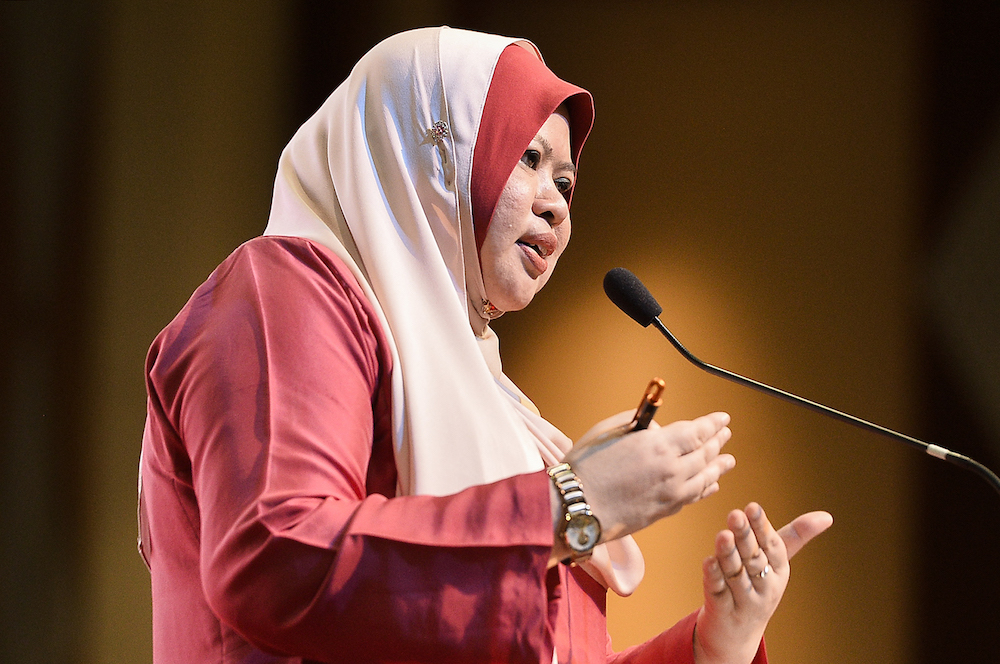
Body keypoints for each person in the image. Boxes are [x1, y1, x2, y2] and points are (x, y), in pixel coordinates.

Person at [138, 26, 832, 664]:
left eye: (565, 182)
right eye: (528, 158)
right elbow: (276, 554)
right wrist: (571, 504)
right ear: (426, 154)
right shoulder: (287, 290)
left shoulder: (500, 410)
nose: (557, 202)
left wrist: (714, 646)